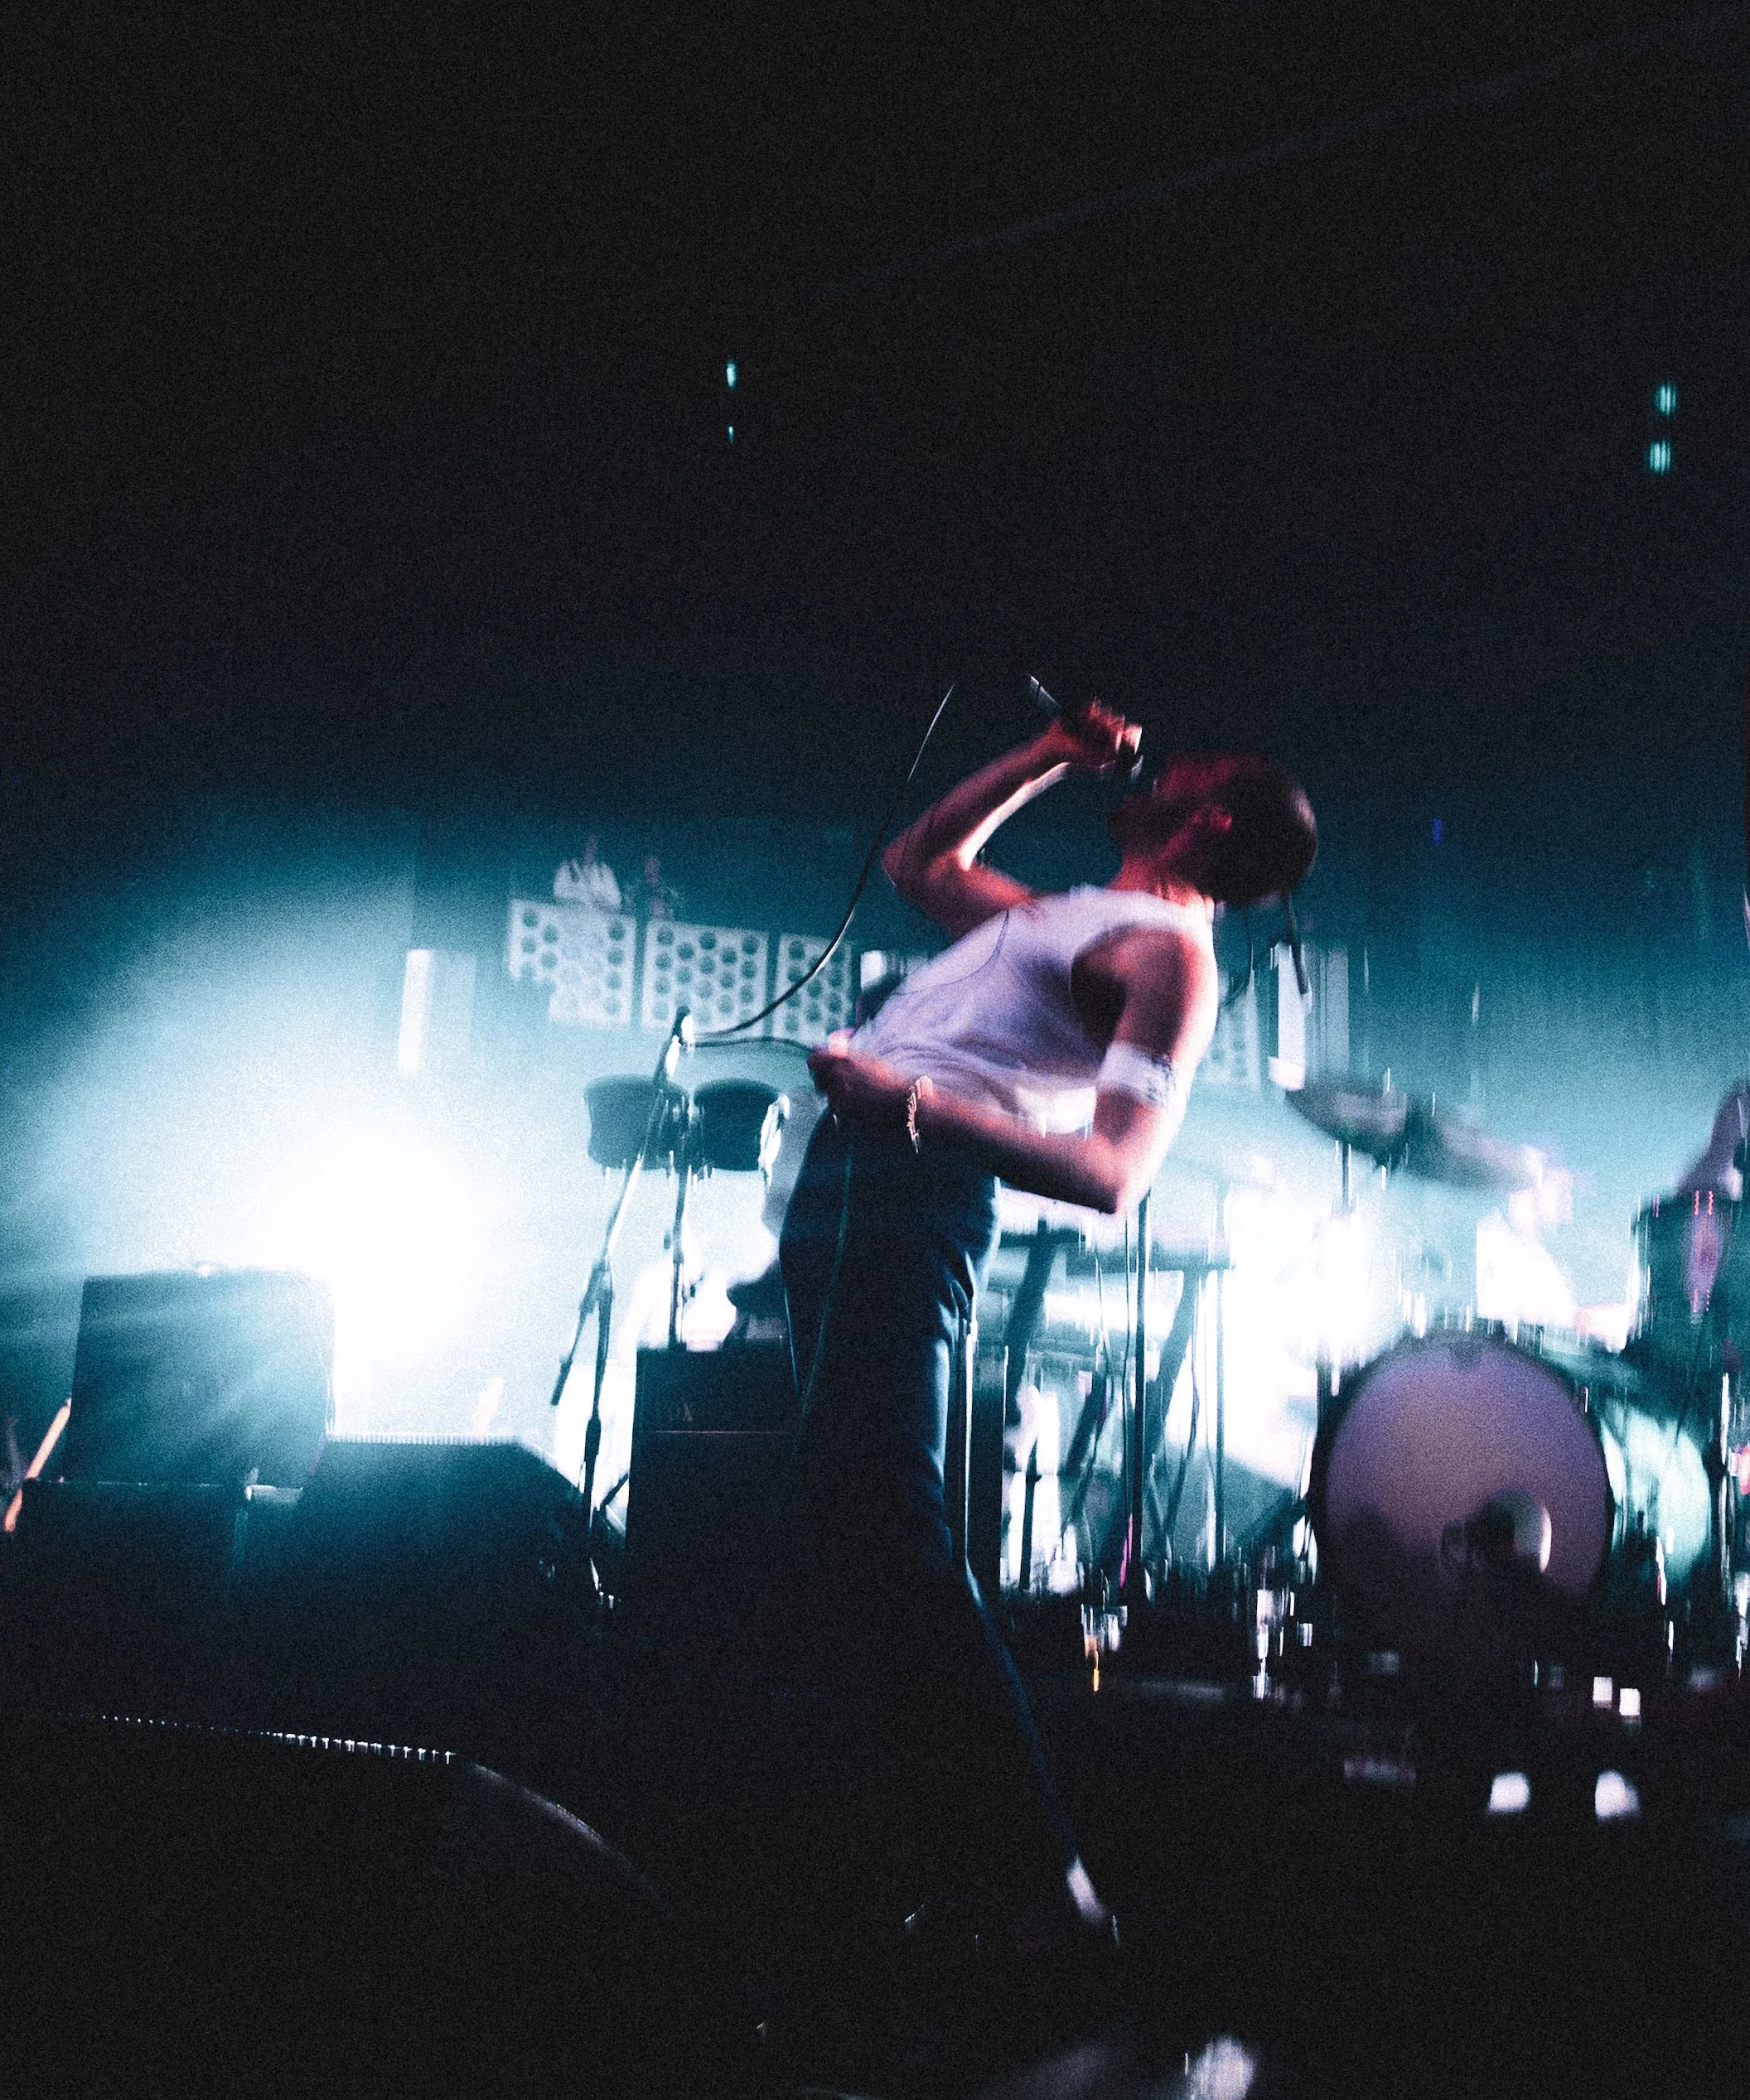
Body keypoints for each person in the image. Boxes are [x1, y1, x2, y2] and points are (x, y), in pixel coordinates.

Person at [778, 699, 1317, 1966]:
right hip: (855, 1172)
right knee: (848, 1514)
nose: (1164, 755)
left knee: (887, 1519)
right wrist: (1046, 756)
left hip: (911, 1185)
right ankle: (959, 1867)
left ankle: (1039, 1882)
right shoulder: (1067, 913)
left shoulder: (1169, 956)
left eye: (1197, 758)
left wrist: (909, 1107)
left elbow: (1116, 1170)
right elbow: (921, 865)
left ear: (1212, 813)